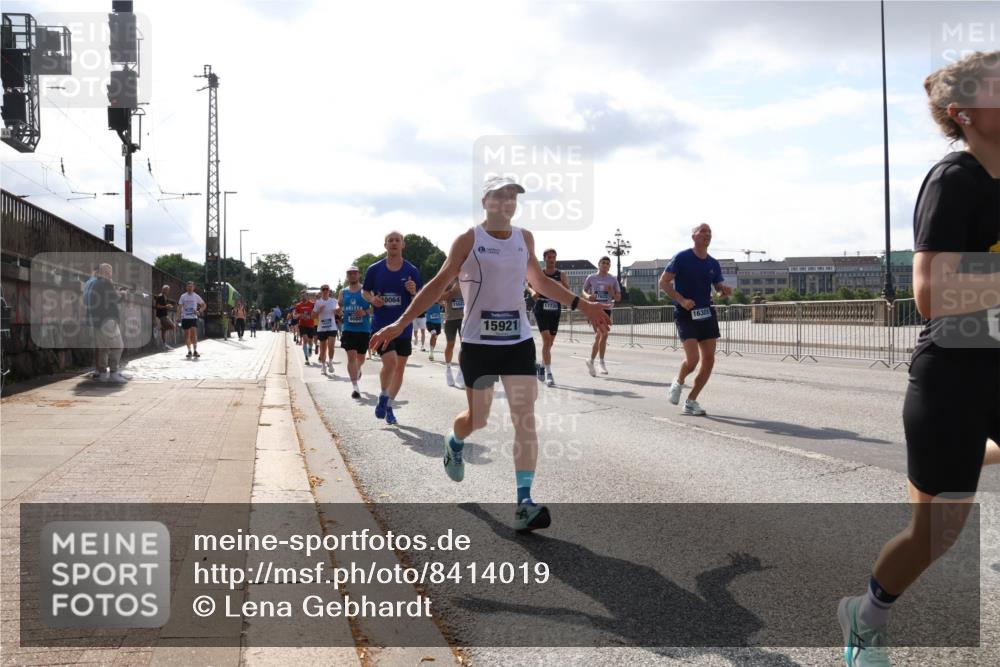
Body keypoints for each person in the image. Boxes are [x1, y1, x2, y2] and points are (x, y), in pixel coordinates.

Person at [837, 51, 1000, 667]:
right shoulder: (953, 180)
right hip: (955, 370)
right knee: (938, 533)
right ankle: (867, 614)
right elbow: (931, 295)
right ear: (966, 114)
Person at [370, 176, 610, 531]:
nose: (507, 204)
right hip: (479, 343)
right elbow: (438, 284)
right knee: (478, 419)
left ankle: (524, 502)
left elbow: (539, 282)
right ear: (485, 202)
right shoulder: (469, 239)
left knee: (524, 417)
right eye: (500, 198)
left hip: (517, 342)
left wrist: (581, 304)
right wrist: (402, 323)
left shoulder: (524, 238)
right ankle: (454, 441)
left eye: (513, 198)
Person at [659, 224, 732, 416]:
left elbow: (717, 287)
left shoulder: (713, 263)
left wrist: (723, 290)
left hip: (706, 313)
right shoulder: (682, 257)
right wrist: (681, 300)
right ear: (693, 236)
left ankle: (691, 401)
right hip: (686, 315)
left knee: (709, 360)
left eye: (709, 232)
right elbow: (663, 282)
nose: (707, 234)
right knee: (693, 360)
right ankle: (679, 381)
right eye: (703, 231)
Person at [363, 231, 422, 425]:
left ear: (403, 245)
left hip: (403, 326)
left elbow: (421, 298)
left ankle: (388, 405)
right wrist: (373, 299)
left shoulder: (412, 270)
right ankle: (383, 394)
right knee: (390, 364)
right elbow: (365, 291)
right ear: (385, 245)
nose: (394, 243)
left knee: (400, 369)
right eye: (391, 241)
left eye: (398, 240)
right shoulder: (374, 269)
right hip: (381, 326)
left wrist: (413, 292)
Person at [528, 248, 569, 386]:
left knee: (550, 343)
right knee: (546, 340)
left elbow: (567, 291)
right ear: (544, 259)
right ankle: (549, 374)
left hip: (555, 310)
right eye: (549, 257)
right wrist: (533, 291)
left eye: (553, 257)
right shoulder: (540, 273)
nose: (551, 260)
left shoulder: (561, 274)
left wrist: (559, 286)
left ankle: (541, 364)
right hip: (541, 308)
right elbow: (528, 285)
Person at [582, 257, 622, 376]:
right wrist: (589, 297)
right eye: (603, 263)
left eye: (607, 264)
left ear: (609, 267)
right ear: (598, 264)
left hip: (607, 310)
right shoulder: (591, 277)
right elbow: (583, 291)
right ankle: (601, 362)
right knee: (604, 333)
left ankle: (591, 361)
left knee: (599, 337)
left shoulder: (613, 279)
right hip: (595, 310)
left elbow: (618, 298)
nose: (605, 265)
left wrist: (612, 293)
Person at [89, 263, 128, 383]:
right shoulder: (106, 283)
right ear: (106, 272)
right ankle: (113, 373)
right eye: (110, 272)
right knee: (118, 346)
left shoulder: (95, 284)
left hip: (98, 321)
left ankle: (102, 374)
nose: (111, 274)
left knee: (103, 348)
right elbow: (115, 298)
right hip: (108, 321)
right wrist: (123, 294)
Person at [341, 266, 373, 399]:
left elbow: (375, 307)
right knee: (351, 356)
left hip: (364, 329)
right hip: (348, 328)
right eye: (350, 273)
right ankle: (355, 387)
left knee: (360, 358)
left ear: (358, 275)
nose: (352, 275)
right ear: (347, 276)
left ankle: (358, 368)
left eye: (354, 273)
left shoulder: (365, 290)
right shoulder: (343, 291)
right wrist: (337, 309)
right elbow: (340, 304)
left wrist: (364, 312)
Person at [313, 284, 340, 375]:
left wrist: (338, 310)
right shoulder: (318, 302)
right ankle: (323, 365)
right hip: (321, 328)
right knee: (323, 349)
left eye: (326, 289)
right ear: (321, 291)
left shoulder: (333, 301)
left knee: (331, 346)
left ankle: (331, 363)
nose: (325, 291)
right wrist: (319, 310)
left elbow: (339, 310)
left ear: (329, 291)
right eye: (323, 289)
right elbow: (313, 316)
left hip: (332, 327)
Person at [442, 279, 464, 388]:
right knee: (450, 344)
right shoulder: (449, 281)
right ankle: (448, 369)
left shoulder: (467, 279)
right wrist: (451, 291)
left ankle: (461, 372)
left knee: (465, 345)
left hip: (464, 319)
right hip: (450, 319)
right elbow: (439, 299)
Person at [177, 281, 206, 358]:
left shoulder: (196, 296)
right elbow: (179, 307)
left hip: (193, 317)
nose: (190, 288)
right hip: (185, 317)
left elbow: (204, 305)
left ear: (193, 288)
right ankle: (189, 351)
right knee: (187, 335)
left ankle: (195, 350)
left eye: (191, 286)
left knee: (194, 333)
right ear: (186, 288)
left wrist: (199, 311)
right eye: (188, 286)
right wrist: (178, 317)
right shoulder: (183, 296)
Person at [294, 291, 316, 364]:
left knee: (310, 341)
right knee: (305, 340)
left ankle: (310, 348)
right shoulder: (298, 305)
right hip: (302, 325)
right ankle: (306, 358)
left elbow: (315, 313)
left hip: (311, 325)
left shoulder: (312, 304)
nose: (303, 297)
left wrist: (310, 316)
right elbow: (295, 315)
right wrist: (300, 315)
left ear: (307, 296)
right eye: (302, 296)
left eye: (305, 296)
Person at [154, 285, 174, 350]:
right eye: (167, 290)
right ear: (164, 290)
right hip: (161, 316)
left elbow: (163, 305)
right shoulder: (160, 296)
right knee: (172, 326)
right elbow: (157, 306)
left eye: (168, 290)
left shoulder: (164, 296)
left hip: (164, 315)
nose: (168, 291)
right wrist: (166, 306)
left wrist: (168, 306)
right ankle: (161, 328)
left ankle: (164, 344)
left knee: (164, 330)